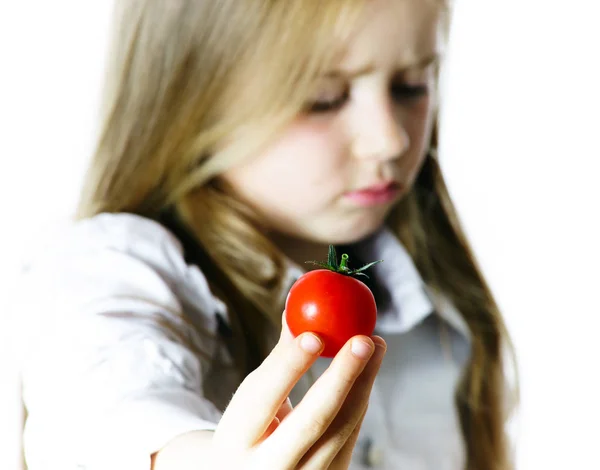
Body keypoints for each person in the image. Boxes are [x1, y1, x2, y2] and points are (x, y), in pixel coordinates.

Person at [15, 0, 517, 469]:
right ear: (193, 98)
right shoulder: (112, 266)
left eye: (411, 84)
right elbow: (100, 396)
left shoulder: (442, 314)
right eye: (323, 98)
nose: (391, 138)